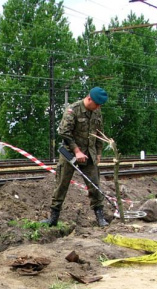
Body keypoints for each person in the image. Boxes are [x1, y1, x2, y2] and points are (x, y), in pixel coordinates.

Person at [42, 87, 109, 227]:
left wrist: (98, 153)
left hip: (89, 154)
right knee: (61, 184)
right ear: (89, 98)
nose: (98, 107)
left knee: (95, 185)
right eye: (96, 104)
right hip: (70, 154)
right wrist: (77, 151)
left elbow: (99, 133)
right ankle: (53, 218)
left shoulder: (97, 111)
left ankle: (100, 217)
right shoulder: (73, 109)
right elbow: (64, 132)